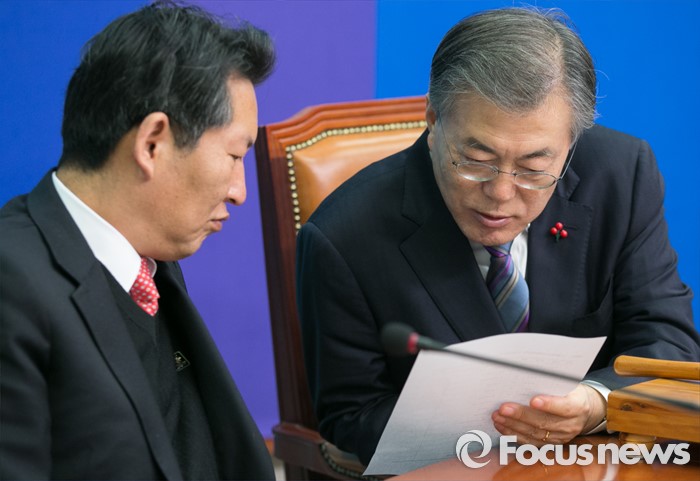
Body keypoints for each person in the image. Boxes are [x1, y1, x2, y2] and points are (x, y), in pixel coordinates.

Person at [296, 7, 700, 466]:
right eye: (476, 161)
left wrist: (595, 403)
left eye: (533, 169)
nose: (501, 194)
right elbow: (352, 416)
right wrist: (502, 426)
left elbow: (669, 341)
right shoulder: (344, 237)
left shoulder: (621, 176)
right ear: (433, 120)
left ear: (571, 145)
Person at [0, 2, 275, 479]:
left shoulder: (148, 267)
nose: (240, 191)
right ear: (152, 144)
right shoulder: (12, 287)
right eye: (235, 156)